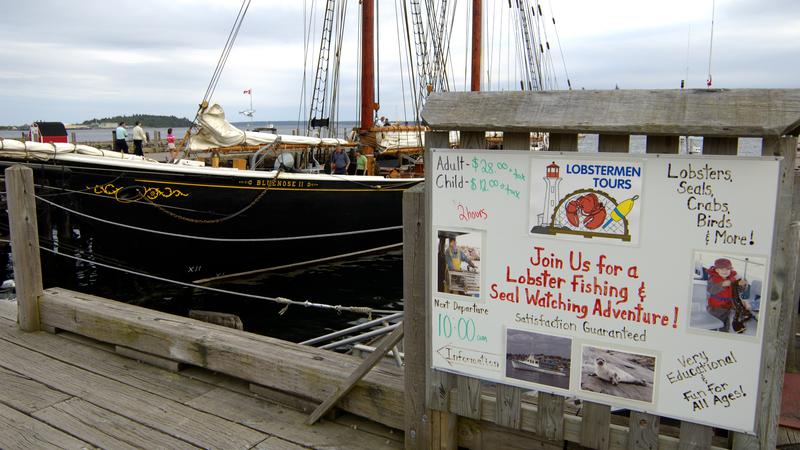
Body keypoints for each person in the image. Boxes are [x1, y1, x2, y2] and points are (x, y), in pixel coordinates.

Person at [706, 258, 748, 332]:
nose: (725, 271)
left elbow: (739, 291)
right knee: (714, 324)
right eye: (722, 269)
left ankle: (724, 334)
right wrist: (722, 284)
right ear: (717, 270)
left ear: (730, 270)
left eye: (727, 269)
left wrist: (742, 285)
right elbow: (711, 289)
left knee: (725, 324)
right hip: (716, 308)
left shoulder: (733, 279)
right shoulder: (713, 279)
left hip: (728, 307)